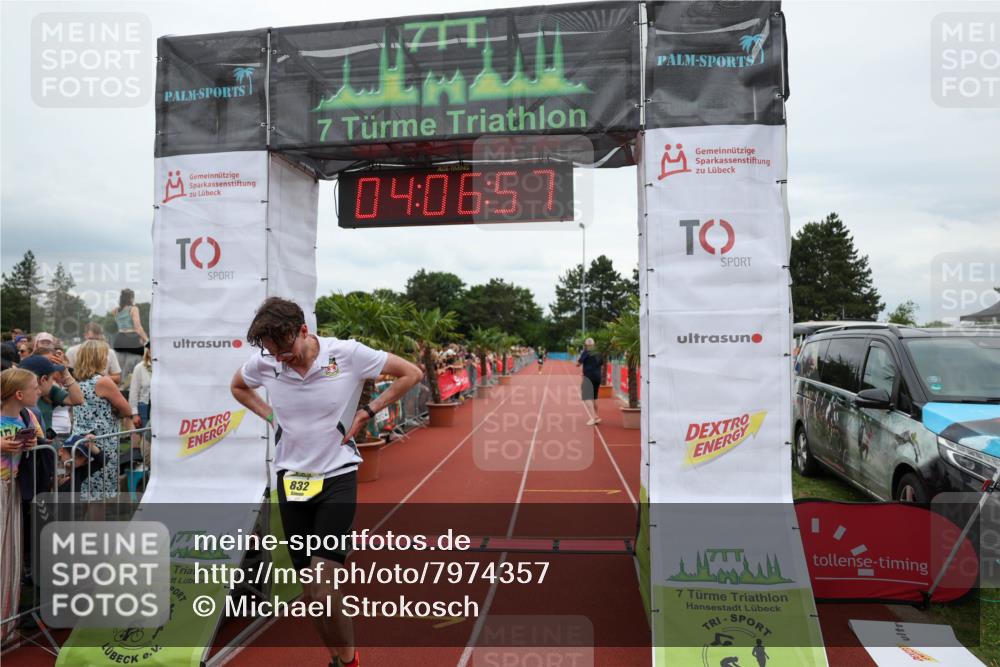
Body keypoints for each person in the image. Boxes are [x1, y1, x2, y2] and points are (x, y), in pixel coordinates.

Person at [230, 297, 423, 667]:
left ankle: (349, 661)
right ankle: (337, 658)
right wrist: (270, 416)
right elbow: (238, 386)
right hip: (291, 480)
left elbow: (411, 373)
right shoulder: (267, 362)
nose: (281, 359)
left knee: (322, 588)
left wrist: (367, 412)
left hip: (336, 477)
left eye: (285, 349)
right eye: (273, 353)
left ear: (303, 330)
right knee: (311, 594)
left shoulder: (346, 354)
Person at [1, 368, 44, 643]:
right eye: (34, 387)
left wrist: (33, 443)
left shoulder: (28, 415)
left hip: (14, 490)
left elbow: (41, 440)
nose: (38, 390)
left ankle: (6, 625)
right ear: (19, 393)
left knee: (10, 558)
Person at [70, 341, 131, 501]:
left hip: (80, 440)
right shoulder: (103, 381)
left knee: (85, 493)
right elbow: (127, 410)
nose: (106, 359)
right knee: (99, 499)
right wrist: (115, 411)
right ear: (97, 358)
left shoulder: (74, 381)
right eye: (104, 355)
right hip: (102, 444)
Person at [18, 355, 84, 439]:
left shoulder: (50, 391)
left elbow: (78, 400)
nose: (53, 382)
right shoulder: (30, 407)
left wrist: (66, 374)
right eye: (52, 378)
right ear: (43, 379)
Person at [111, 289, 148, 389]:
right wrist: (147, 340)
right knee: (133, 369)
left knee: (119, 368)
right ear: (131, 298)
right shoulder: (133, 309)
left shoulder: (115, 311)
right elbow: (138, 327)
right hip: (132, 340)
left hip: (119, 339)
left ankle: (119, 389)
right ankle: (128, 390)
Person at [128, 343, 152, 467]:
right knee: (146, 441)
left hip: (159, 408)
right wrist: (135, 413)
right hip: (144, 407)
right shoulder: (140, 367)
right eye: (150, 348)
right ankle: (148, 468)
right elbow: (134, 391)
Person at [576, 337, 603, 425]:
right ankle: (596, 417)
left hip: (589, 376)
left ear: (586, 345)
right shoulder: (598, 353)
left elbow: (578, 364)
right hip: (597, 377)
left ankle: (594, 417)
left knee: (586, 396)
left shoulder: (586, 352)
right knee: (595, 397)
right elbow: (601, 363)